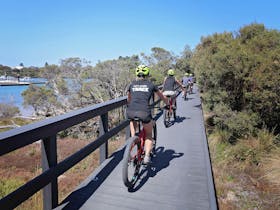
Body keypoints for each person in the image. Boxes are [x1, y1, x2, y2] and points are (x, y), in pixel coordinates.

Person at [126, 65, 168, 164]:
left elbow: (128, 99)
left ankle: (133, 139)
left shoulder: (131, 85)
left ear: (137, 74)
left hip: (131, 111)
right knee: (149, 134)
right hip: (144, 112)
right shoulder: (151, 85)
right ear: (147, 75)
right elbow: (161, 96)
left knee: (132, 120)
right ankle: (147, 156)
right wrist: (167, 103)